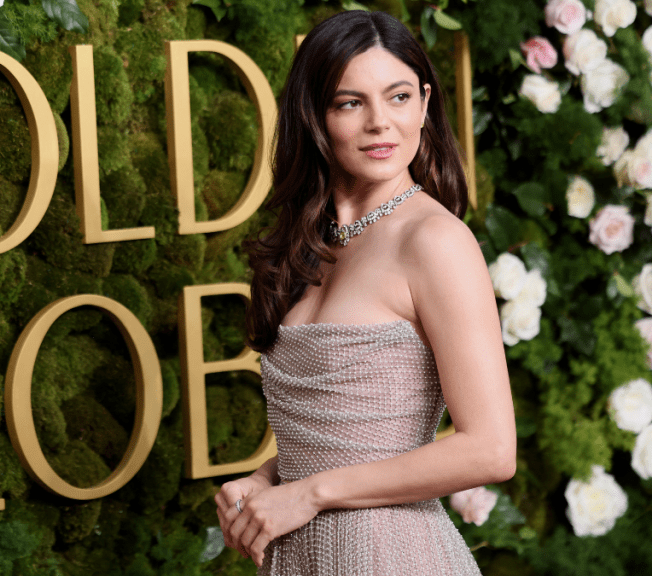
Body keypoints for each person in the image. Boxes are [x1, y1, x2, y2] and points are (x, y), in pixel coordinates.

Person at [213, 10, 516, 576]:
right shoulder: (310, 243)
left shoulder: (436, 241)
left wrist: (308, 494)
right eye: (350, 103)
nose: (381, 122)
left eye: (398, 97)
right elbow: (350, 432)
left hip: (392, 555)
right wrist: (267, 481)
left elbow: (491, 449)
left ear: (425, 104)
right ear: (315, 118)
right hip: (298, 556)